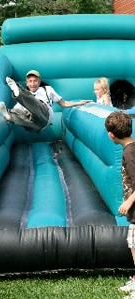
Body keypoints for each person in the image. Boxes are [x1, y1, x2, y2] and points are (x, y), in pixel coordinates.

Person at [0, 70, 91, 133]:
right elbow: (17, 110)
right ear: (27, 83)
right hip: (35, 126)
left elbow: (63, 103)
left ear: (39, 82)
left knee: (34, 103)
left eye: (35, 81)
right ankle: (9, 115)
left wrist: (79, 103)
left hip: (45, 115)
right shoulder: (25, 100)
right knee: (19, 114)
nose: (33, 83)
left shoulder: (46, 89)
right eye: (30, 81)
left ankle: (17, 91)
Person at [105, 112, 135, 298]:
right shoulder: (131, 148)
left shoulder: (130, 153)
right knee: (132, 243)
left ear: (111, 135)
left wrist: (129, 201)